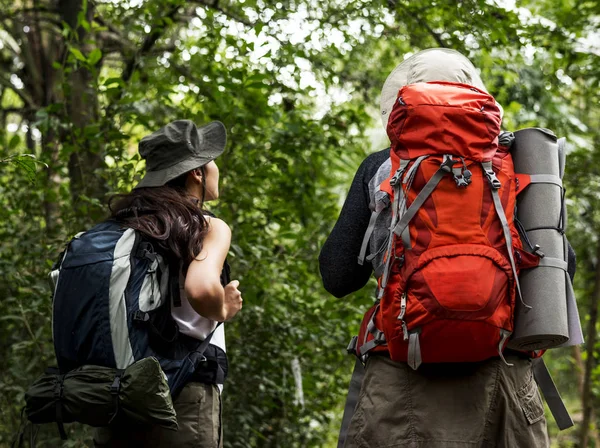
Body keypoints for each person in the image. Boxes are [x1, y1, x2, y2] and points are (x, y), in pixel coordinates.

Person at [319, 49, 576, 448]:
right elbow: (561, 271)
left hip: (401, 382)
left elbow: (337, 277)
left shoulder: (380, 168)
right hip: (504, 379)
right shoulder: (517, 163)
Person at [94, 119, 242, 448]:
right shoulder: (205, 226)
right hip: (182, 397)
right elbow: (202, 289)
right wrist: (223, 307)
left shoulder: (121, 228)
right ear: (197, 173)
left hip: (115, 396)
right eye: (212, 161)